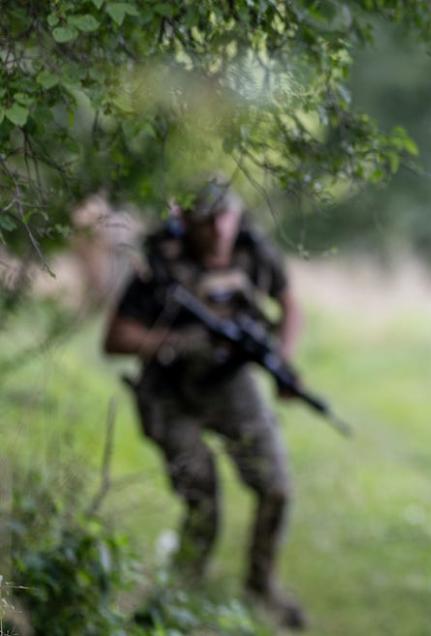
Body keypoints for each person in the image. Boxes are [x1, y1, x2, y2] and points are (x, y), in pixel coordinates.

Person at [103, 178, 307, 629]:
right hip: (170, 391)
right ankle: (182, 594)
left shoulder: (253, 250)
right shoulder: (160, 261)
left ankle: (260, 585)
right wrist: (175, 341)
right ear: (188, 221)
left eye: (226, 217)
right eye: (208, 220)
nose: (219, 230)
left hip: (231, 384)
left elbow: (290, 304)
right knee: (202, 498)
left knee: (276, 488)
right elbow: (115, 337)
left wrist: (282, 362)